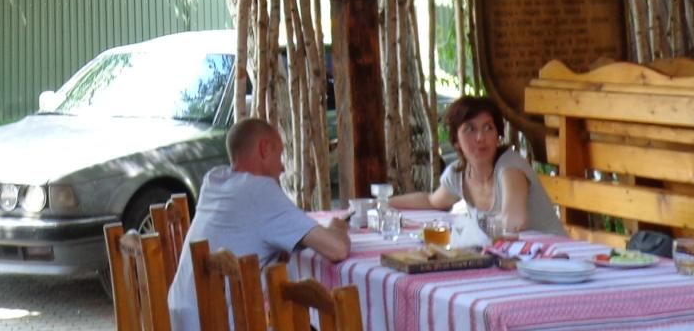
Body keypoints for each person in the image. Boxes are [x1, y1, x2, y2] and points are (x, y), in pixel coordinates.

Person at [166, 119, 349, 331]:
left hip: (182, 319)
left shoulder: (214, 180)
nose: (282, 167)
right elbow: (337, 249)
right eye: (280, 155)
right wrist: (338, 228)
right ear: (264, 149)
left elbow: (249, 231)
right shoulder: (259, 190)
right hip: (217, 324)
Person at [391, 97, 566, 237]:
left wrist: (466, 232)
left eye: (488, 128)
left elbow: (515, 223)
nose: (480, 137)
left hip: (553, 256)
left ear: (498, 135)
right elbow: (432, 201)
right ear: (455, 141)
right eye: (470, 129)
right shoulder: (458, 173)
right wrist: (384, 203)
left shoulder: (510, 167)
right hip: (511, 255)